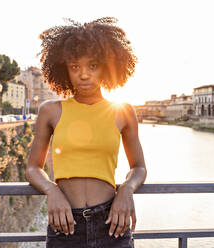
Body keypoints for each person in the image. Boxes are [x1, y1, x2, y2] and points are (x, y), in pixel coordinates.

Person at [26, 17, 147, 248]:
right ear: (64, 70)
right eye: (75, 67)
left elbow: (139, 167)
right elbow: (33, 167)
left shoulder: (123, 112)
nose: (83, 74)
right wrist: (52, 190)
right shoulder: (50, 111)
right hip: (64, 223)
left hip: (112, 223)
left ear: (107, 66)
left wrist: (126, 189)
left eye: (93, 65)